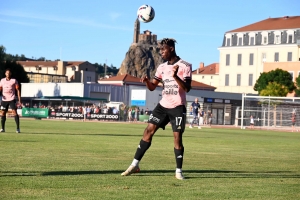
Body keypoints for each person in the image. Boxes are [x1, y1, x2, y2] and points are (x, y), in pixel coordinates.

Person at [121, 38, 192, 180]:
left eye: (163, 49)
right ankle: (135, 165)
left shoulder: (185, 65)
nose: (161, 52)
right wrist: (147, 82)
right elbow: (153, 87)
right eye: (160, 50)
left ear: (171, 48)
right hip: (163, 105)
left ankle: (178, 171)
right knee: (148, 131)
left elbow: (187, 88)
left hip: (177, 107)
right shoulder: (161, 67)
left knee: (177, 138)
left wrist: (175, 76)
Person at [0, 69, 21, 133]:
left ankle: (18, 128)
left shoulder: (14, 81)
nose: (8, 74)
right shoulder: (2, 80)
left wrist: (19, 100)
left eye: (9, 73)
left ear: (10, 74)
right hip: (4, 100)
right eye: (7, 73)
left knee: (14, 112)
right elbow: (0, 88)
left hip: (12, 99)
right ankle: (2, 128)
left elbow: (18, 90)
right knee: (3, 113)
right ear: (5, 74)